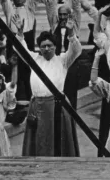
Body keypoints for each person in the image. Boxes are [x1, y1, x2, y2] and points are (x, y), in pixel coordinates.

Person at [22, 28, 82, 157]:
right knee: (39, 141)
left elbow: (76, 50)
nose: (46, 49)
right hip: (37, 105)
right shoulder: (35, 59)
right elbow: (21, 50)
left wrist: (71, 34)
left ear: (55, 46)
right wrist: (20, 34)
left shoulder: (63, 60)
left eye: (50, 45)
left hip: (56, 105)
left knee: (59, 141)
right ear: (39, 48)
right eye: (43, 46)